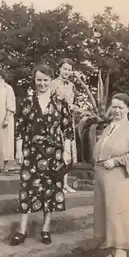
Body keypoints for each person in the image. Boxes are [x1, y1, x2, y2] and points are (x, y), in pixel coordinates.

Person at [10, 64, 74, 246]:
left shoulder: (60, 102)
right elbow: (20, 129)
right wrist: (18, 150)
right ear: (34, 80)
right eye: (39, 80)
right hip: (31, 152)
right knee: (27, 188)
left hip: (53, 154)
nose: (42, 83)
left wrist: (67, 152)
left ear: (51, 81)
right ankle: (21, 230)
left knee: (51, 189)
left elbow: (68, 129)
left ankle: (45, 229)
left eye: (45, 80)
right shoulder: (28, 101)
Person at [93, 92, 129, 257]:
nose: (116, 111)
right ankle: (114, 250)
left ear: (128, 109)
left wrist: (116, 161)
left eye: (120, 107)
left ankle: (122, 254)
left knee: (118, 214)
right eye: (114, 107)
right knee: (108, 214)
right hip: (104, 178)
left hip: (120, 179)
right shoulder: (109, 127)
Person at [51, 58, 79, 193]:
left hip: (69, 122)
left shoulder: (72, 86)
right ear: (59, 69)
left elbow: (76, 102)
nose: (67, 71)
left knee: (68, 151)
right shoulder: (52, 84)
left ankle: (65, 183)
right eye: (65, 68)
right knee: (58, 150)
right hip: (56, 122)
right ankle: (57, 183)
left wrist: (74, 107)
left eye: (69, 69)